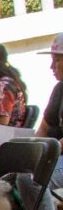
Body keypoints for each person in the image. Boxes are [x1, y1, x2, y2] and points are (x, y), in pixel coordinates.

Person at [34, 32, 63, 188]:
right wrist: (33, 149)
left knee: (34, 181)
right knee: (14, 177)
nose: (52, 66)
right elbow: (44, 127)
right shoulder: (59, 89)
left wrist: (46, 155)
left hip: (57, 157)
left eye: (56, 60)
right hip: (56, 157)